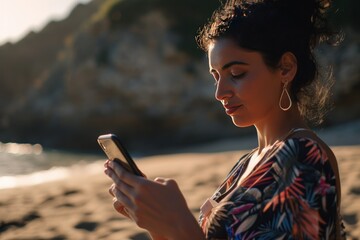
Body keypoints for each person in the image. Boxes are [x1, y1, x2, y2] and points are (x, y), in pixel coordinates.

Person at [104, 0, 346, 239]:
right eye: (216, 76)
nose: (220, 93)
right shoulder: (248, 163)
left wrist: (177, 223)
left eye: (236, 74)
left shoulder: (303, 157)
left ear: (285, 68)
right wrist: (158, 223)